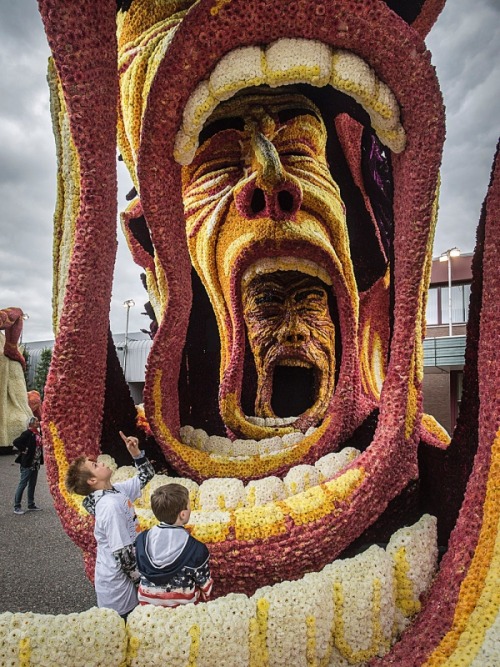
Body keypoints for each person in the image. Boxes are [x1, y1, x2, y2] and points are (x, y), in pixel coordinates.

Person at [65, 431, 155, 620]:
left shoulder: (116, 492)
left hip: (121, 580)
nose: (102, 463)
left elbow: (147, 475)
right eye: (96, 465)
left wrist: (136, 454)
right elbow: (122, 554)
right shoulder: (110, 506)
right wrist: (143, 585)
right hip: (119, 587)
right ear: (92, 480)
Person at [135, 483, 213, 607]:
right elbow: (204, 583)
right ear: (183, 514)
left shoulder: (142, 540)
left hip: (148, 606)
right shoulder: (196, 550)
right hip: (183, 609)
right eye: (189, 505)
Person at [13, 417, 43, 514]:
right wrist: (24, 450)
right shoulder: (27, 433)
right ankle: (17, 506)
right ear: (31, 424)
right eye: (36, 421)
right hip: (28, 463)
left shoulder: (37, 433)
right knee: (23, 484)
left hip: (35, 463)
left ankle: (31, 504)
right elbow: (16, 442)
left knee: (32, 484)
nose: (38, 422)